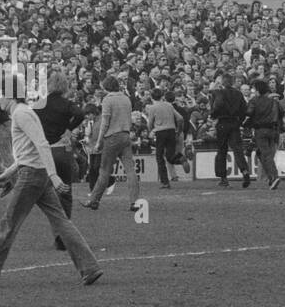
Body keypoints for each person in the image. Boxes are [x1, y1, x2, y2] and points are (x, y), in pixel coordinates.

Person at [0, 72, 103, 289]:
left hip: (32, 177)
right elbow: (29, 151)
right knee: (61, 222)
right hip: (36, 175)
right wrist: (10, 172)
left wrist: (54, 175)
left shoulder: (21, 114)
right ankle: (90, 268)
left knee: (9, 224)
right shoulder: (23, 113)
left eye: (1, 94)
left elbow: (41, 144)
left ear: (10, 95)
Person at [36, 70, 85, 247]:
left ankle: (56, 230)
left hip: (44, 152)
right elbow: (80, 114)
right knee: (65, 193)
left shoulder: (39, 104)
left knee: (48, 197)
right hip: (62, 151)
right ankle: (64, 234)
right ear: (64, 86)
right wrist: (69, 128)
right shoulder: (67, 104)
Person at [83, 75, 140, 211]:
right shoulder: (126, 98)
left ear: (107, 87)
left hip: (112, 138)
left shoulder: (108, 100)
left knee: (104, 171)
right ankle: (134, 202)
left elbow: (105, 123)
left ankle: (94, 200)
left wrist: (98, 142)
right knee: (130, 170)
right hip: (125, 136)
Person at [210, 74, 252, 188]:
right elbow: (244, 110)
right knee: (238, 149)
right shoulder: (238, 94)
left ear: (223, 82)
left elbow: (217, 105)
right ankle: (245, 172)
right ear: (232, 82)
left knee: (222, 151)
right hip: (234, 123)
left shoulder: (219, 93)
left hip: (223, 123)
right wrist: (239, 122)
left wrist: (213, 115)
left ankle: (223, 178)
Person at [243, 79, 284, 190]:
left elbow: (249, 114)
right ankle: (271, 177)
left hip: (260, 130)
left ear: (257, 90)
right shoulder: (273, 101)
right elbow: (281, 112)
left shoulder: (254, 101)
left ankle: (274, 177)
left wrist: (245, 124)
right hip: (273, 130)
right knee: (261, 153)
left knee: (265, 154)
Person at [145, 87, 185, 188]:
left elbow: (149, 123)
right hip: (171, 131)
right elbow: (180, 118)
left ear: (151, 97)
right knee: (170, 156)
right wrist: (179, 130)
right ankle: (180, 159)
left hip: (160, 132)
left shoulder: (152, 108)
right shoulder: (169, 105)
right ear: (162, 96)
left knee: (159, 157)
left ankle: (165, 182)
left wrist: (151, 131)